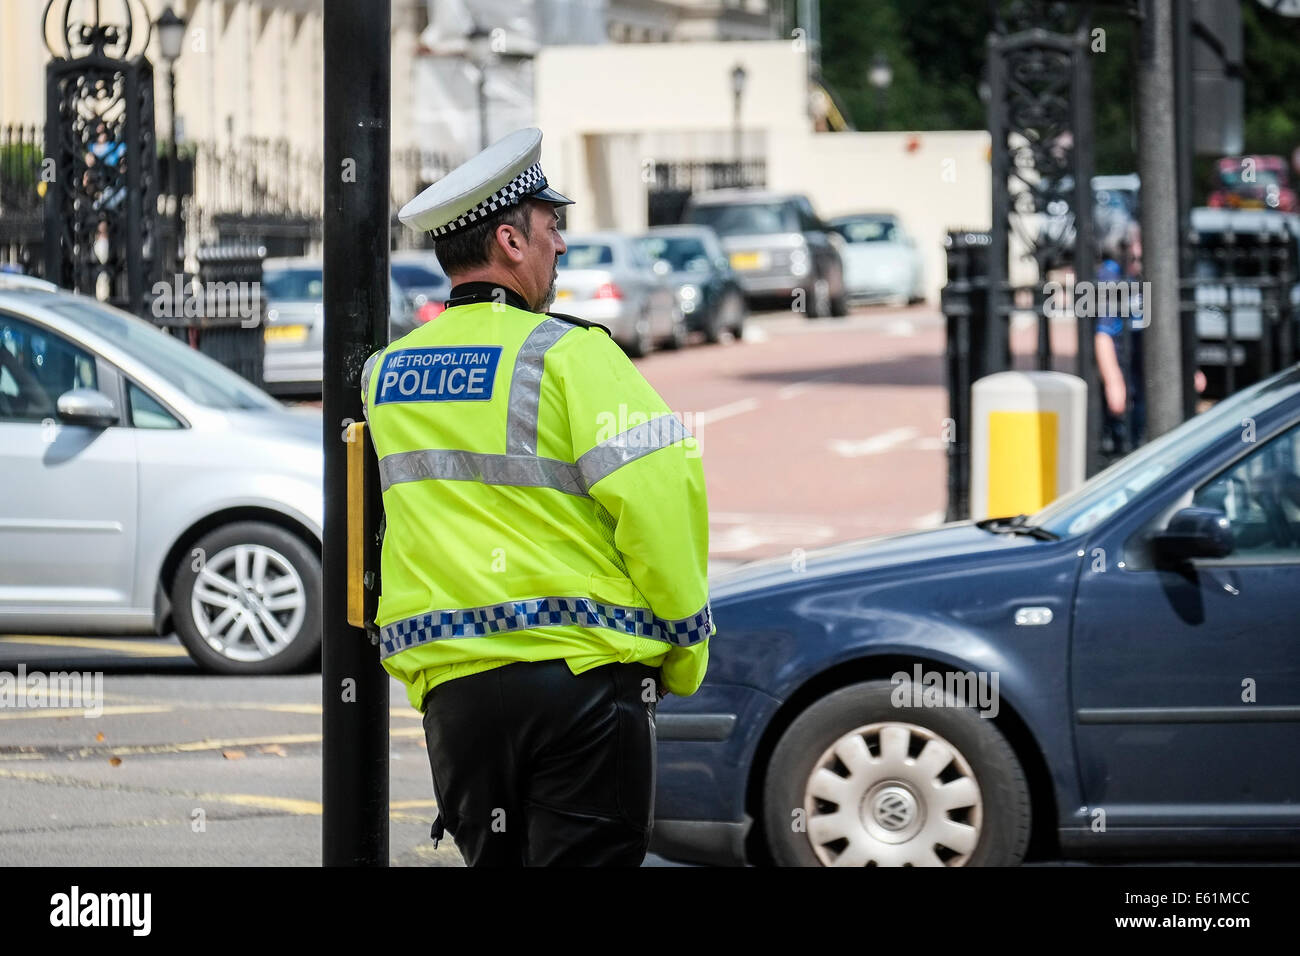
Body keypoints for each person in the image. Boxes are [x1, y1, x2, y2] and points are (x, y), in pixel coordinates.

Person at [361, 127, 713, 867]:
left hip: (454, 699)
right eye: (553, 229)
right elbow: (659, 499)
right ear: (510, 242)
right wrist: (685, 649)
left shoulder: (386, 376)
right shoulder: (570, 354)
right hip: (579, 683)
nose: (561, 247)